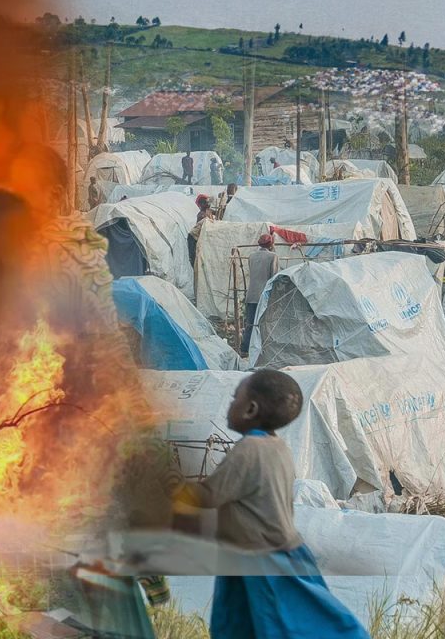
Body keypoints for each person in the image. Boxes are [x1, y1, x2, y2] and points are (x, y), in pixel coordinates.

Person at [180, 371, 368, 639]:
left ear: (250, 409)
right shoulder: (277, 447)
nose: (230, 404)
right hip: (257, 553)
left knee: (283, 625)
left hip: (263, 557)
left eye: (234, 398)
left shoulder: (249, 450)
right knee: (242, 625)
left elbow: (208, 496)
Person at [242, 234, 278, 354]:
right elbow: (273, 277)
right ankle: (262, 350)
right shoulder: (272, 256)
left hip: (251, 295)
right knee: (264, 324)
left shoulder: (251, 256)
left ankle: (245, 349)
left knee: (250, 324)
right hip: (264, 296)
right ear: (270, 244)